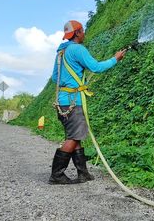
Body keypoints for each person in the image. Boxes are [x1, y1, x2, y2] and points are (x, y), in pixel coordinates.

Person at [49, 20, 126, 184]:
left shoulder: (61, 52)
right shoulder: (77, 49)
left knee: (75, 136)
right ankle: (56, 174)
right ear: (77, 33)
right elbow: (96, 67)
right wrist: (115, 59)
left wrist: (69, 82)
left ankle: (82, 173)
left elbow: (55, 77)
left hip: (62, 100)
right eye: (83, 31)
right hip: (72, 101)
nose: (84, 34)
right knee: (74, 137)